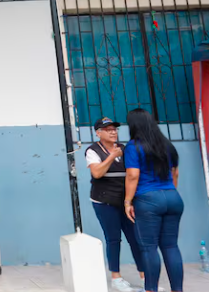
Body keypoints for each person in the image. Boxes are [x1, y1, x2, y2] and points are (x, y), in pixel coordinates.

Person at [124, 108, 184, 292]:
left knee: (148, 248)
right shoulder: (167, 145)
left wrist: (127, 201)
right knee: (171, 246)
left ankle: (150, 289)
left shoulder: (133, 147)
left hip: (148, 199)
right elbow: (175, 173)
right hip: (173, 197)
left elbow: (133, 175)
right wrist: (168, 192)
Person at [86, 117, 145, 292]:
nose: (113, 132)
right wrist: (112, 156)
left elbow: (134, 173)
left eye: (115, 129)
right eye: (108, 129)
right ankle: (116, 278)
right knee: (113, 239)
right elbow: (97, 173)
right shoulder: (92, 150)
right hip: (104, 201)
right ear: (98, 133)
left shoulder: (125, 149)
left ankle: (145, 277)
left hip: (126, 201)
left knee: (136, 238)